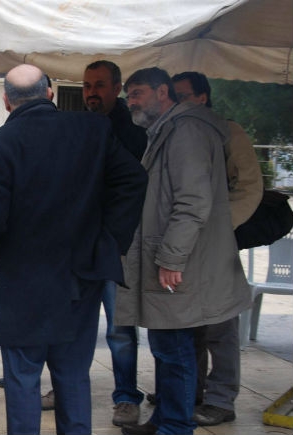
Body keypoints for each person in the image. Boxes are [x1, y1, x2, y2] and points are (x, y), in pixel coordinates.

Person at [0, 64, 147, 435]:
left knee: (23, 379)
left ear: (6, 101)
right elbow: (134, 179)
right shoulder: (92, 129)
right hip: (81, 277)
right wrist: (109, 239)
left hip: (24, 284)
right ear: (50, 94)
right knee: (74, 376)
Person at [117, 67, 252, 435]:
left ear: (163, 93)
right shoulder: (169, 129)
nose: (132, 101)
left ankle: (175, 425)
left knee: (174, 347)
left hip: (179, 263)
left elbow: (192, 201)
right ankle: (166, 418)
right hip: (172, 258)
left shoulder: (187, 130)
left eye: (139, 92)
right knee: (166, 345)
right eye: (129, 94)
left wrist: (172, 258)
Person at [171, 71, 263, 427]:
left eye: (183, 96)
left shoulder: (228, 131)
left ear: (202, 97)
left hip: (216, 243)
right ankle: (190, 391)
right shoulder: (173, 132)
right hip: (184, 241)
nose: (178, 103)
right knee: (188, 322)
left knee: (220, 323)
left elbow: (249, 186)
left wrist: (221, 230)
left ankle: (222, 398)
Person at [81, 59, 148, 426]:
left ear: (117, 88)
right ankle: (66, 386)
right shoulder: (78, 126)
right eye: (88, 85)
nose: (93, 92)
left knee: (119, 328)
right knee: (74, 323)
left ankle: (126, 397)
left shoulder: (134, 132)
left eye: (101, 85)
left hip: (115, 243)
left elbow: (132, 188)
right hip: (79, 241)